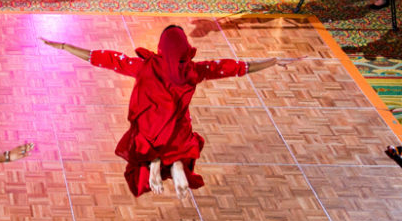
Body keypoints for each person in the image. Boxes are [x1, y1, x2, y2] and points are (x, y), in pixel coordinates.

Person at [43, 26, 291, 197]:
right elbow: (234, 67)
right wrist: (273, 61)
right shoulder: (195, 71)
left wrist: (65, 46)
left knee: (145, 141)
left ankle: (155, 163)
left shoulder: (143, 66)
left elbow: (106, 59)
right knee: (182, 142)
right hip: (177, 129)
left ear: (161, 48)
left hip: (150, 130)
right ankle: (175, 166)